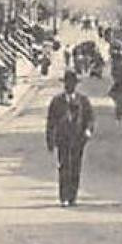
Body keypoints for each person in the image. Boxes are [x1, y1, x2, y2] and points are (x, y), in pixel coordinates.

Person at [45, 70, 95, 206]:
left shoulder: (83, 101)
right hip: (63, 139)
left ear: (75, 85)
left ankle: (73, 196)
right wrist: (50, 140)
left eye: (72, 83)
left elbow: (90, 118)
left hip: (78, 139)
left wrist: (88, 131)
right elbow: (51, 122)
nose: (69, 86)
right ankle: (64, 197)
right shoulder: (57, 101)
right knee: (64, 167)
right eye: (67, 83)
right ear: (64, 84)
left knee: (75, 167)